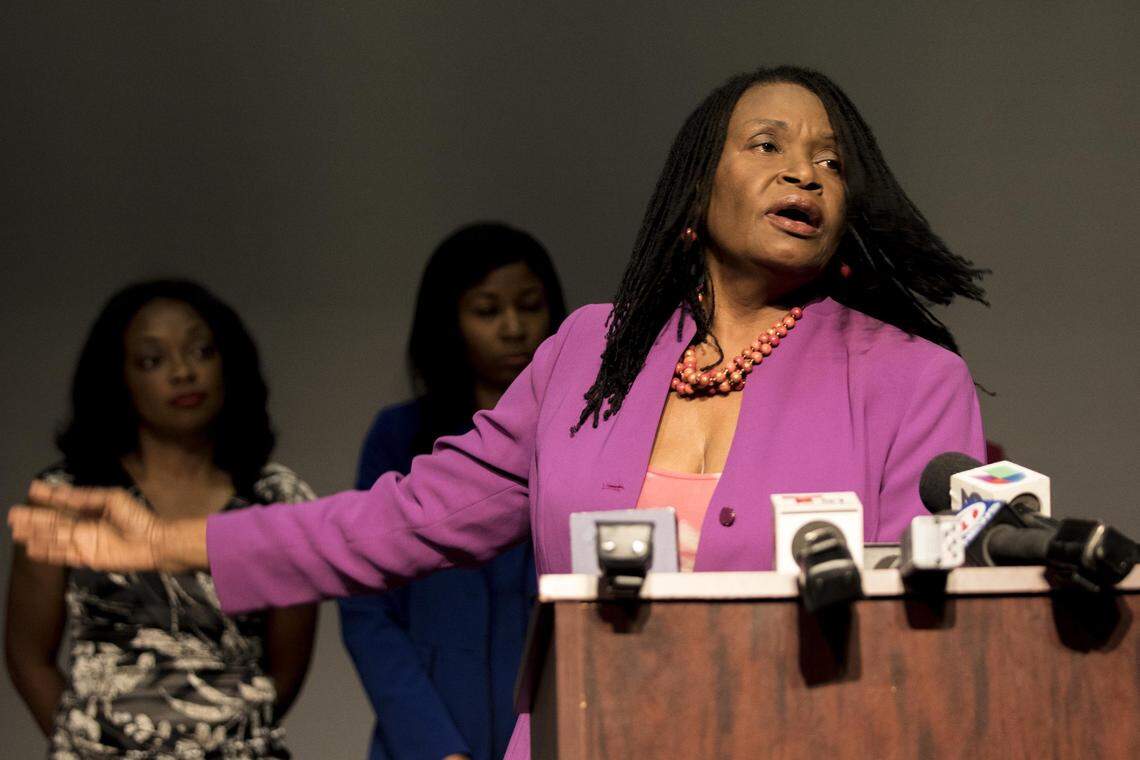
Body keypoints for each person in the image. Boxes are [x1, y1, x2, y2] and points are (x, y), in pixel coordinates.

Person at [9, 66, 989, 760]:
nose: (805, 170)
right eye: (768, 144)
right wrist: (173, 542)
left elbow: (926, 640)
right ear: (699, 192)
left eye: (831, 159)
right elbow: (401, 518)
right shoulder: (587, 354)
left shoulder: (910, 378)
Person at [5, 280, 318, 759]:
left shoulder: (279, 498)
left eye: (201, 350)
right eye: (153, 360)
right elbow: (27, 655)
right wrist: (88, 741)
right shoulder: (71, 498)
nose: (183, 372)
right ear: (119, 379)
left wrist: (226, 733)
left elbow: (288, 668)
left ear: (228, 362)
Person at [339, 223, 566, 760]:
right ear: (449, 322)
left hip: (553, 732)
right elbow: (367, 611)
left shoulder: (585, 430)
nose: (513, 328)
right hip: (426, 739)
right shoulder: (400, 436)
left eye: (529, 305)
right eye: (487, 311)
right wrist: (434, 746)